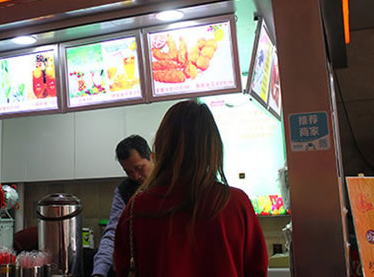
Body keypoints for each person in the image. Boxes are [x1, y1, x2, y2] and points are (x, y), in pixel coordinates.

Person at [114, 100, 268, 277]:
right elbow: (257, 269)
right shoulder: (236, 204)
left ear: (161, 147)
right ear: (212, 147)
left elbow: (122, 267)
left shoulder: (137, 207)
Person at [92, 135, 155, 277]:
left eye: (139, 168)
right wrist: (99, 272)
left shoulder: (171, 182)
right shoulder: (124, 192)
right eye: (128, 172)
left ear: (152, 157)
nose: (136, 176)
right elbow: (112, 233)